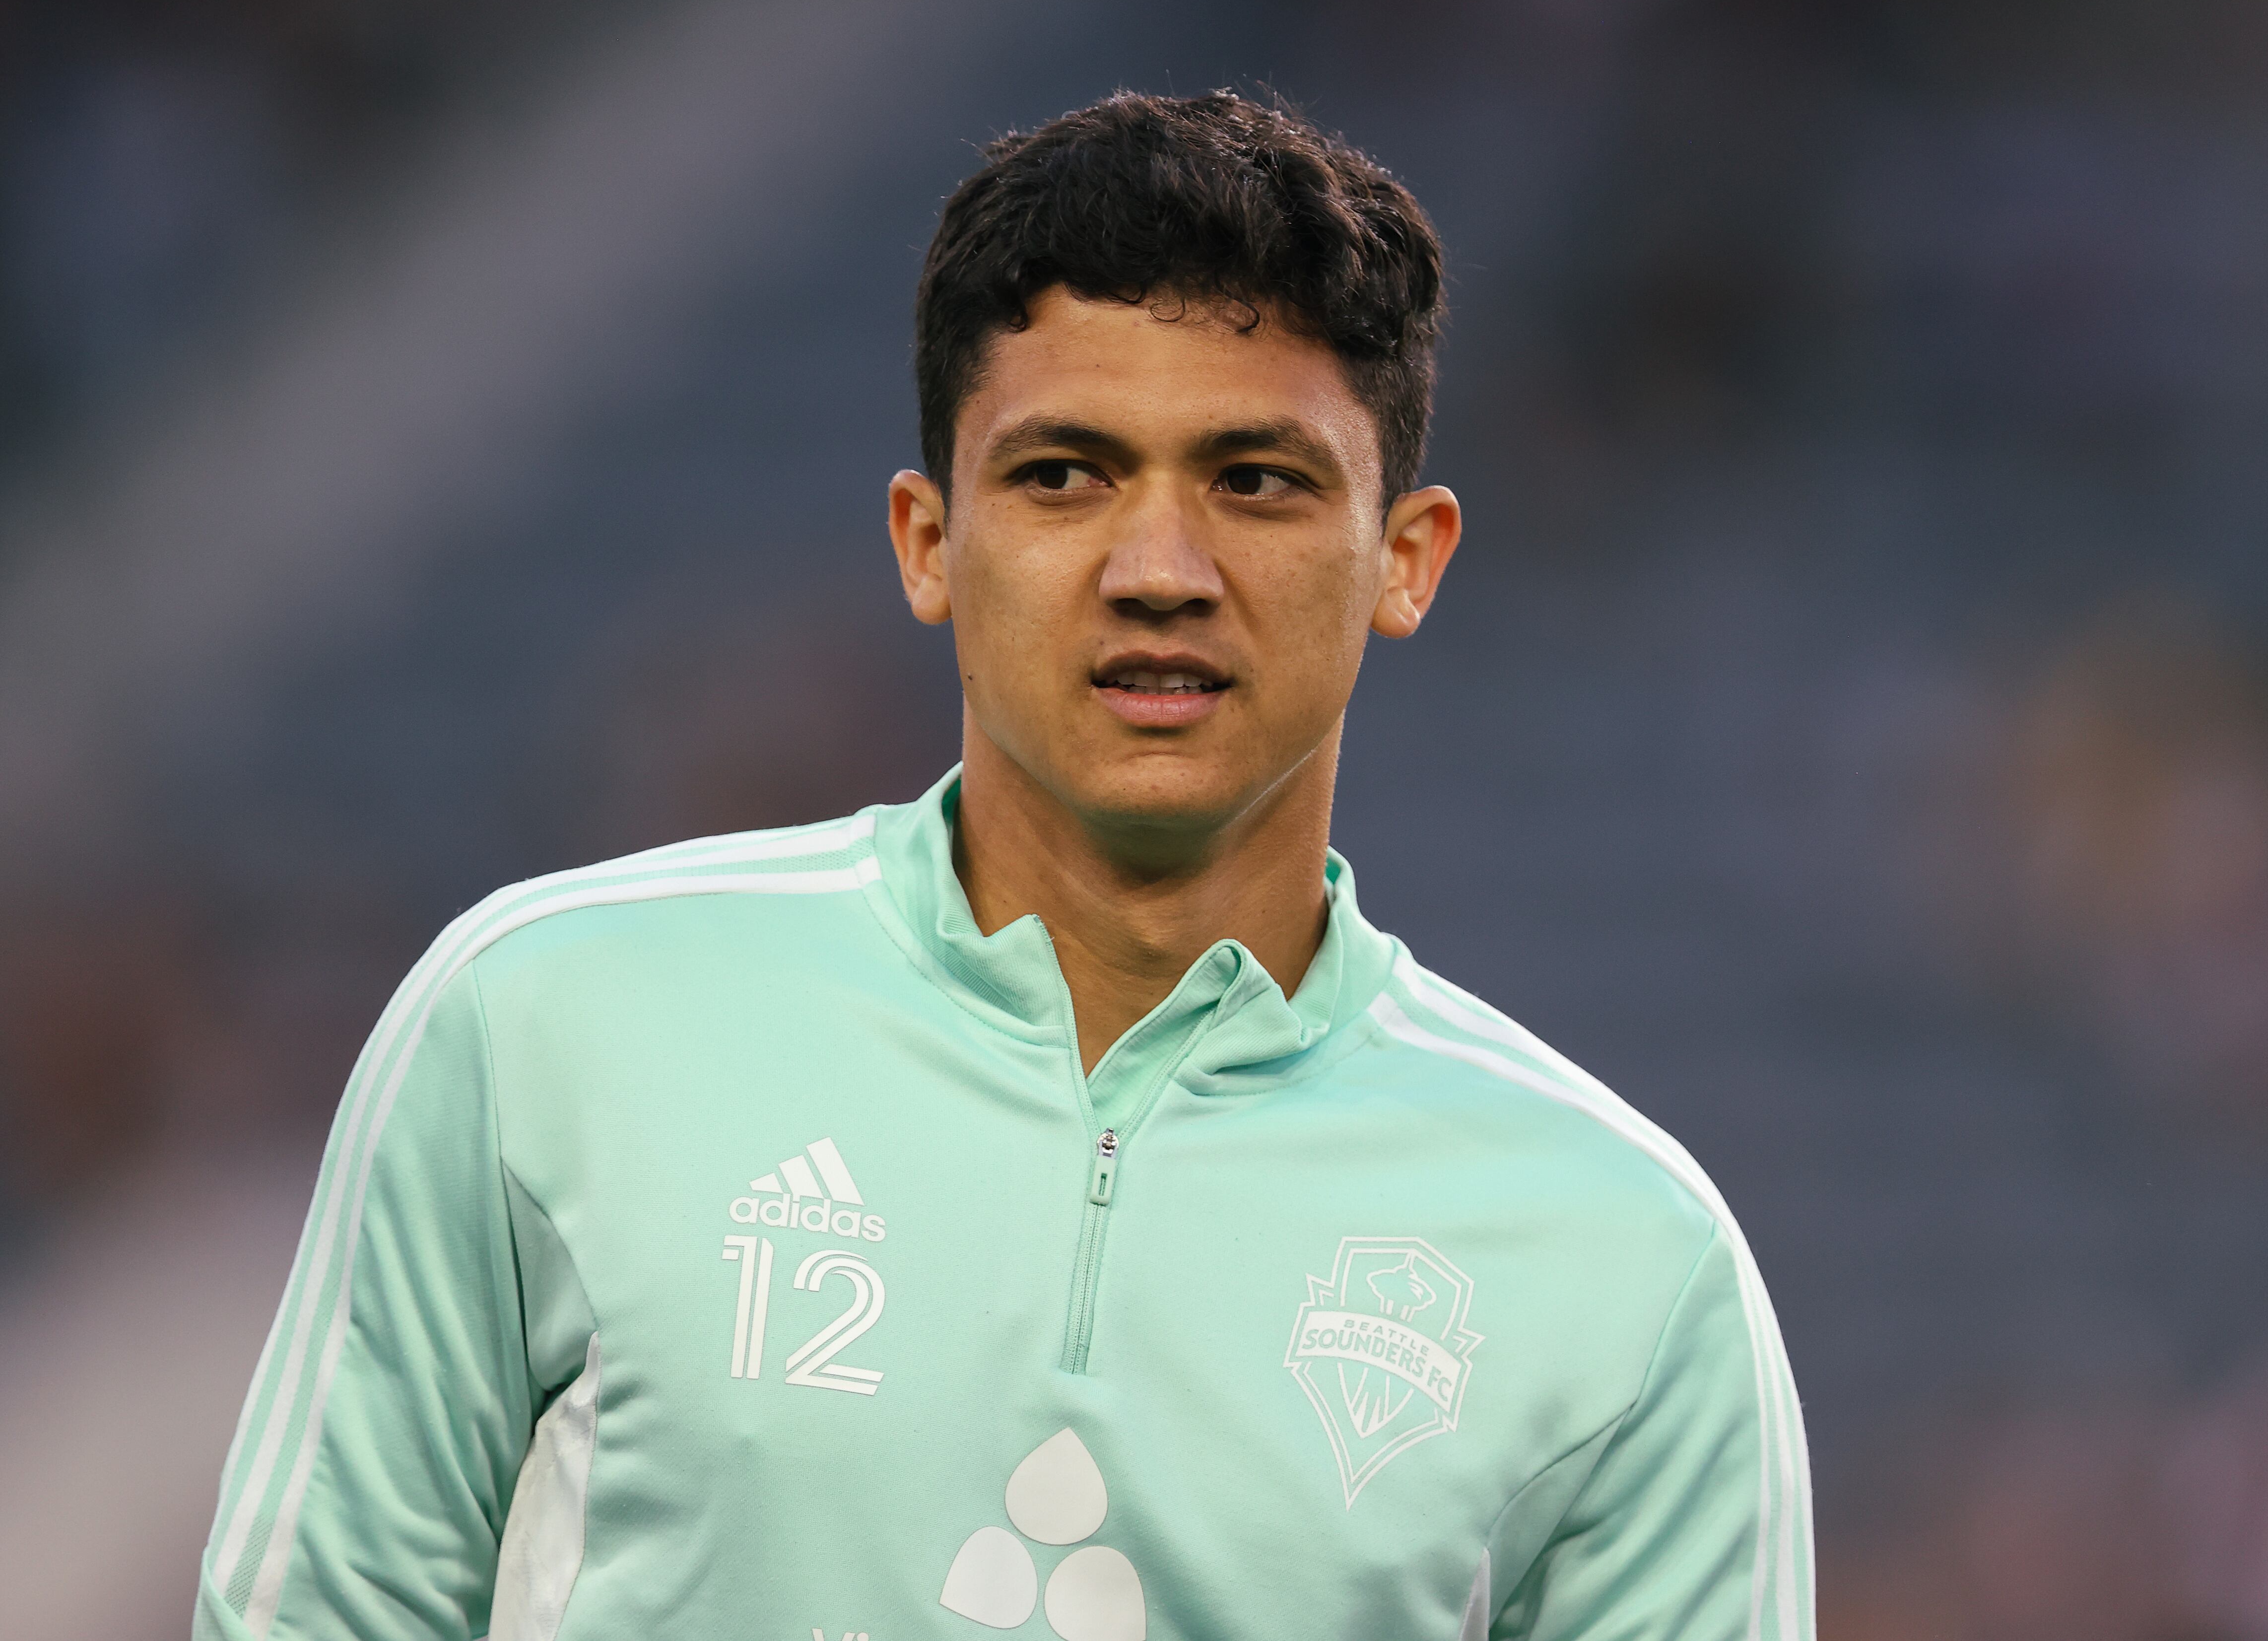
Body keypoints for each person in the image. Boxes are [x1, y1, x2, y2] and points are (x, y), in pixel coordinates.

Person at [195, 90, 1811, 1641]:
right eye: (1063, 476)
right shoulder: (540, 1029)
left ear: (1405, 558)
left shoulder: (1625, 1262)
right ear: (926, 540)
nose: (1161, 569)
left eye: (1256, 482)